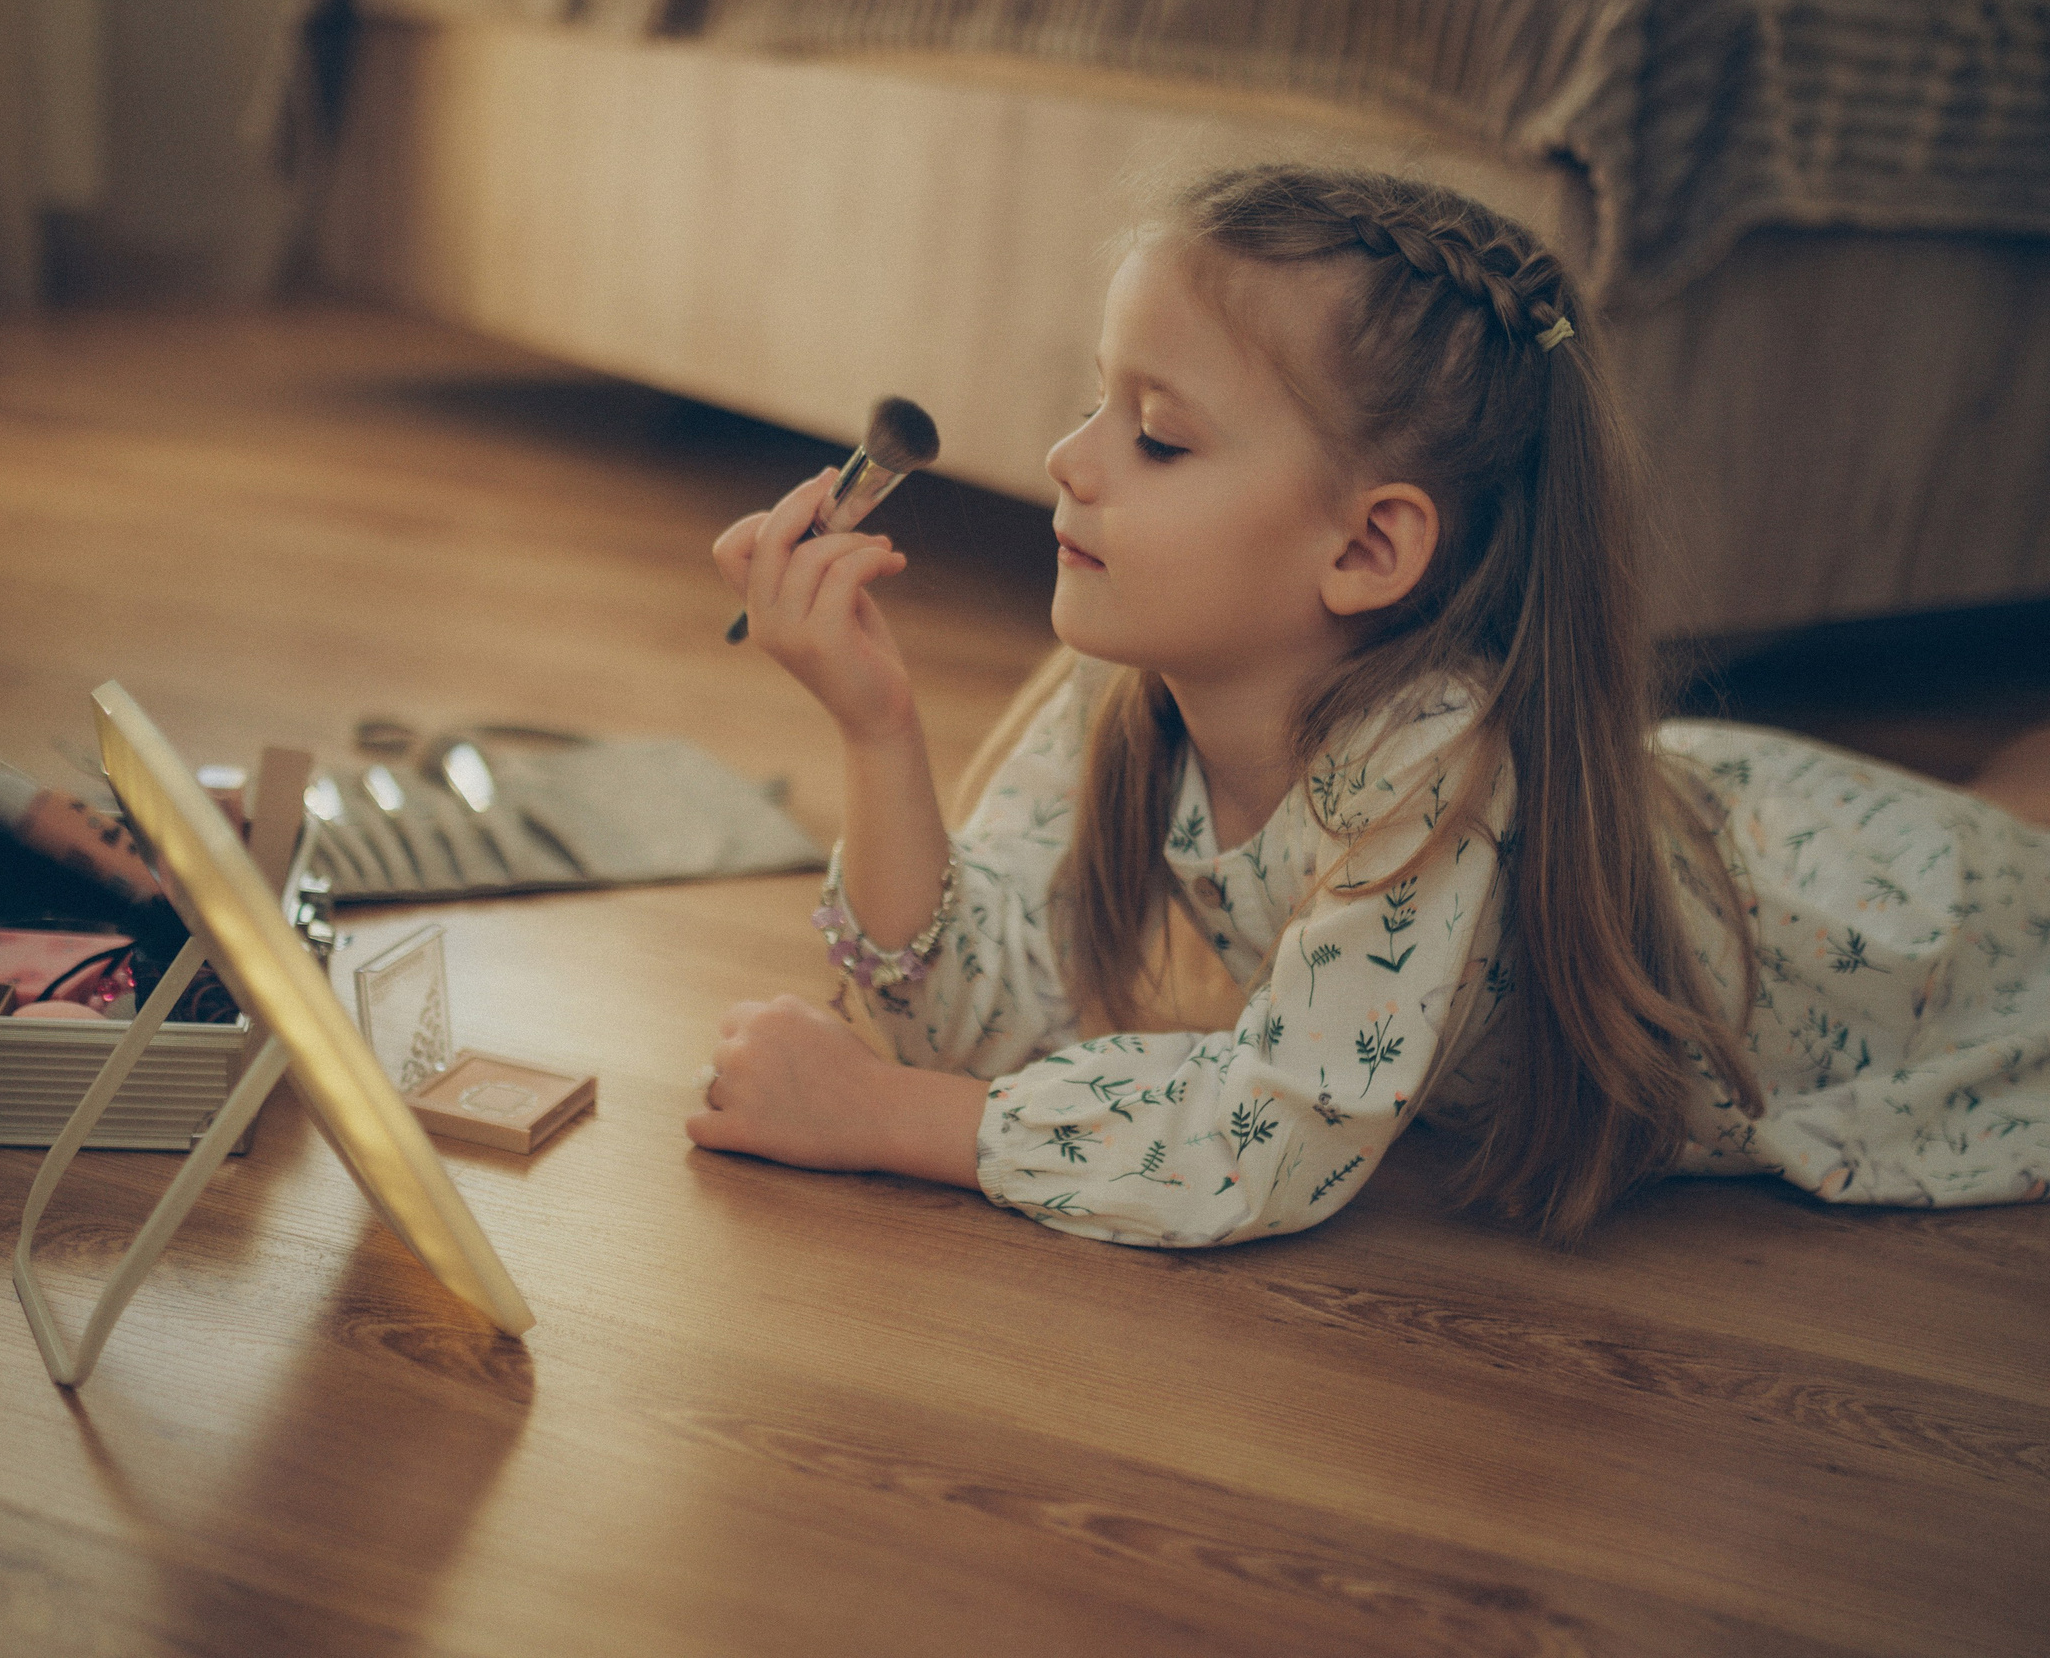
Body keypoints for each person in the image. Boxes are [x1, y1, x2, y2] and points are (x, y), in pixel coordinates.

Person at [690, 163, 2050, 1248]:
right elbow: (969, 1022)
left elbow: (1271, 1140)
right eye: (1096, 402)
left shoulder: (1435, 769)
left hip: (1861, 954)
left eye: (1157, 436)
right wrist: (876, 728)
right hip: (1725, 819)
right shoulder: (1131, 677)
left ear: (1368, 548)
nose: (1066, 459)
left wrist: (885, 1121)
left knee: (2006, 885)